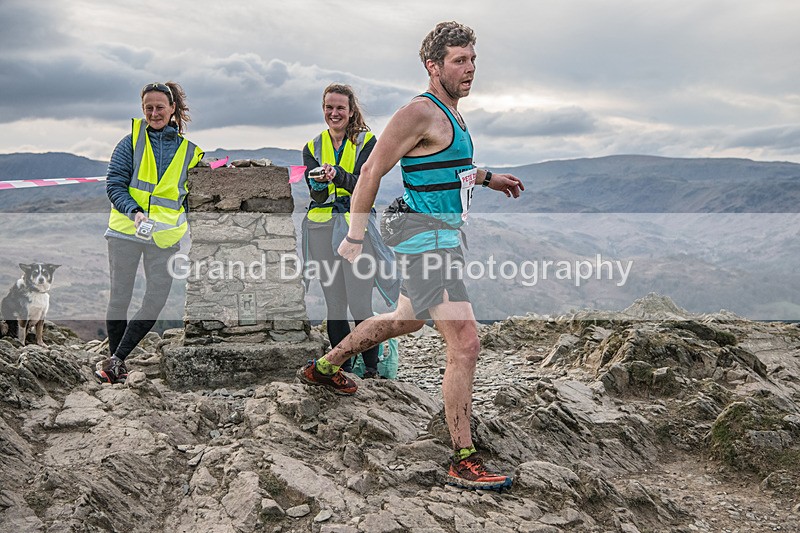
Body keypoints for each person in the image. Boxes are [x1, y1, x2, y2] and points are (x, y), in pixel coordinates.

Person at [298, 22, 523, 490]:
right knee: (465, 343)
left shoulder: (452, 115)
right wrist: (355, 236)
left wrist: (486, 177)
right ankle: (462, 456)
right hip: (425, 240)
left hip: (441, 237)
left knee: (405, 319)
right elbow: (372, 171)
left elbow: (451, 167)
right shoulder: (418, 112)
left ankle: (323, 367)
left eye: (472, 60)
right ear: (433, 65)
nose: (470, 69)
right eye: (459, 61)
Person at [95, 81, 203, 384]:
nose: (154, 113)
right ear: (143, 110)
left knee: (155, 299)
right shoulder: (129, 142)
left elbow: (197, 192)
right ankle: (116, 362)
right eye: (148, 108)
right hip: (125, 231)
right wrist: (135, 212)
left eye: (159, 107)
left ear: (172, 109)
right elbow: (114, 185)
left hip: (164, 237)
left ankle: (117, 358)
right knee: (120, 298)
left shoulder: (190, 152)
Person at [301, 83, 398, 377]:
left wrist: (338, 175)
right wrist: (318, 183)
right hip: (320, 228)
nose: (334, 113)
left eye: (340, 107)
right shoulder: (312, 147)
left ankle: (370, 368)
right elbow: (316, 196)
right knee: (334, 303)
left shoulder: (368, 142)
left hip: (357, 229)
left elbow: (365, 184)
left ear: (351, 110)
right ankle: (340, 366)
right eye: (329, 108)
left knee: (359, 301)